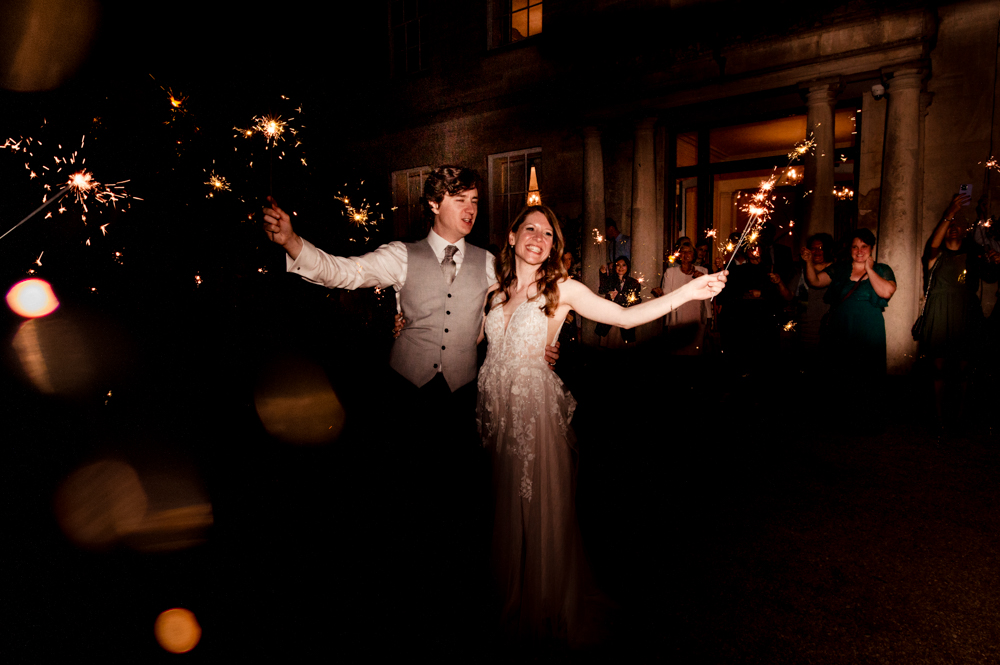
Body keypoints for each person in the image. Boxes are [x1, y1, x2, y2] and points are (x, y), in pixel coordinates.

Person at [476, 204, 726, 644]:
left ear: (555, 246)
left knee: (538, 512)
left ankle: (544, 605)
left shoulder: (563, 288)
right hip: (496, 412)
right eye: (530, 229)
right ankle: (509, 595)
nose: (539, 237)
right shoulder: (494, 290)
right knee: (504, 512)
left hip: (535, 415)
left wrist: (688, 293)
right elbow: (471, 339)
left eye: (549, 233)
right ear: (512, 237)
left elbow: (625, 317)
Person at [919, 193, 986, 430]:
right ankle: (938, 417)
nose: (953, 228)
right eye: (949, 225)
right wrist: (948, 215)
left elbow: (989, 273)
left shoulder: (973, 256)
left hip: (966, 312)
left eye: (958, 225)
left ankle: (959, 416)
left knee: (964, 367)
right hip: (940, 312)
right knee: (938, 367)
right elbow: (933, 245)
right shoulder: (935, 256)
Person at [804, 228, 896, 375]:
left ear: (872, 248)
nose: (859, 251)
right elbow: (815, 281)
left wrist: (869, 270)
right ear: (850, 249)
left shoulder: (882, 269)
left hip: (869, 330)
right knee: (840, 370)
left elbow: (886, 292)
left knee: (867, 372)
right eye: (855, 247)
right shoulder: (840, 268)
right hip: (841, 327)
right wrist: (808, 262)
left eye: (864, 246)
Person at [652, 243, 711, 354]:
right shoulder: (670, 272)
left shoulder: (703, 271)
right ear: (679, 255)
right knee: (678, 352)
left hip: (696, 318)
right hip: (677, 318)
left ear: (694, 255)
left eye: (689, 251)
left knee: (696, 352)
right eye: (683, 251)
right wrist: (661, 293)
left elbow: (707, 297)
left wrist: (709, 319)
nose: (686, 254)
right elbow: (667, 295)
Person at [796, 232, 835, 355]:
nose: (817, 252)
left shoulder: (835, 269)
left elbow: (815, 281)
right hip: (806, 325)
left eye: (821, 248)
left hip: (827, 324)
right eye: (813, 248)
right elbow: (791, 295)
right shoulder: (801, 269)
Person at [595, 256, 643, 346]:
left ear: (628, 267)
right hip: (610, 319)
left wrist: (619, 297)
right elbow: (602, 290)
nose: (621, 268)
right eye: (618, 265)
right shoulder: (610, 280)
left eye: (624, 265)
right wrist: (603, 275)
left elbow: (636, 300)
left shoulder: (634, 282)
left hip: (626, 319)